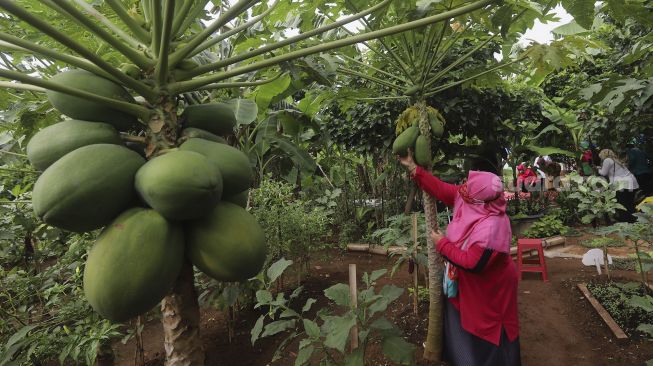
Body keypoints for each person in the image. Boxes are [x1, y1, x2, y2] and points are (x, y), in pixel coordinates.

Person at [399, 153, 520, 366]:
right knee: (463, 322)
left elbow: (472, 264)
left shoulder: (492, 228)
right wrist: (413, 169)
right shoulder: (471, 198)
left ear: (478, 197)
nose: (463, 187)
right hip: (466, 285)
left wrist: (442, 244)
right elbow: (442, 189)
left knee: (487, 335)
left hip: (489, 289)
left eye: (468, 185)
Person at [597, 149, 639, 223]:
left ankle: (625, 221)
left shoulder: (607, 160)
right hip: (631, 181)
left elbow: (603, 173)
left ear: (603, 155)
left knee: (621, 203)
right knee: (629, 203)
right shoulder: (616, 160)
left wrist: (598, 169)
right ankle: (632, 220)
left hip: (622, 183)